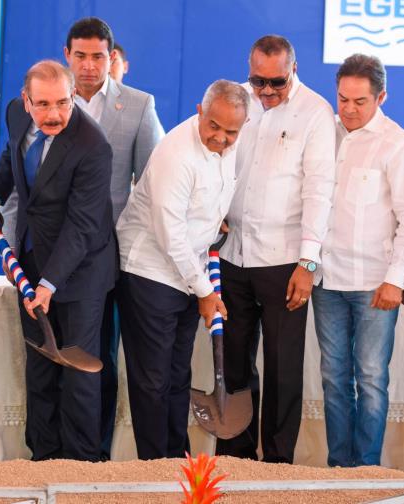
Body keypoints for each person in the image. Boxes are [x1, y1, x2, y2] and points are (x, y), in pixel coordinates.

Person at [0, 59, 116, 462]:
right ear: (26, 100)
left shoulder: (93, 145)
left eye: (63, 103)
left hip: (81, 271)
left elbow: (83, 226)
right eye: (43, 104)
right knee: (39, 366)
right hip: (34, 258)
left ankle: (80, 465)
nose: (53, 114)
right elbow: (12, 156)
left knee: (78, 373)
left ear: (73, 96)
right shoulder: (18, 114)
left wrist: (49, 285)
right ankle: (43, 459)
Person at [215, 34, 336, 463]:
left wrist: (308, 262)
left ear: (294, 70)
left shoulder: (316, 113)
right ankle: (234, 458)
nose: (265, 92)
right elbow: (219, 163)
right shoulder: (238, 100)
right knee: (233, 364)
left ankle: (279, 463)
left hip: (285, 262)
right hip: (232, 256)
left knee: (283, 369)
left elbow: (320, 192)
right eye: (258, 81)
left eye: (276, 83)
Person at [116, 80, 249, 459]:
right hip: (149, 273)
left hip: (186, 275)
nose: (222, 138)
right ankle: (155, 472)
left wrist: (214, 224)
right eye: (214, 127)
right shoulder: (177, 153)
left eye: (231, 132)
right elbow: (170, 235)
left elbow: (206, 205)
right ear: (199, 111)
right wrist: (206, 292)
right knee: (153, 381)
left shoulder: (229, 147)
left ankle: (178, 465)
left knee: (177, 376)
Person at [313, 53, 404, 468]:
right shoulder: (326, 132)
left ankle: (368, 470)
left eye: (360, 101)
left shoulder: (398, 143)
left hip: (376, 284)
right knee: (333, 380)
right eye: (343, 99)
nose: (349, 109)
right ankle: (338, 470)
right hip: (327, 281)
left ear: (382, 98)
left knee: (373, 380)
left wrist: (395, 278)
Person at [63, 17, 163, 458]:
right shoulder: (48, 99)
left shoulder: (138, 105)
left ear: (112, 58)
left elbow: (155, 181)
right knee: (58, 361)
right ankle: (57, 453)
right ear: (67, 55)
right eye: (80, 56)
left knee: (102, 358)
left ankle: (96, 456)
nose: (89, 65)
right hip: (53, 255)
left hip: (114, 255)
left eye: (98, 56)